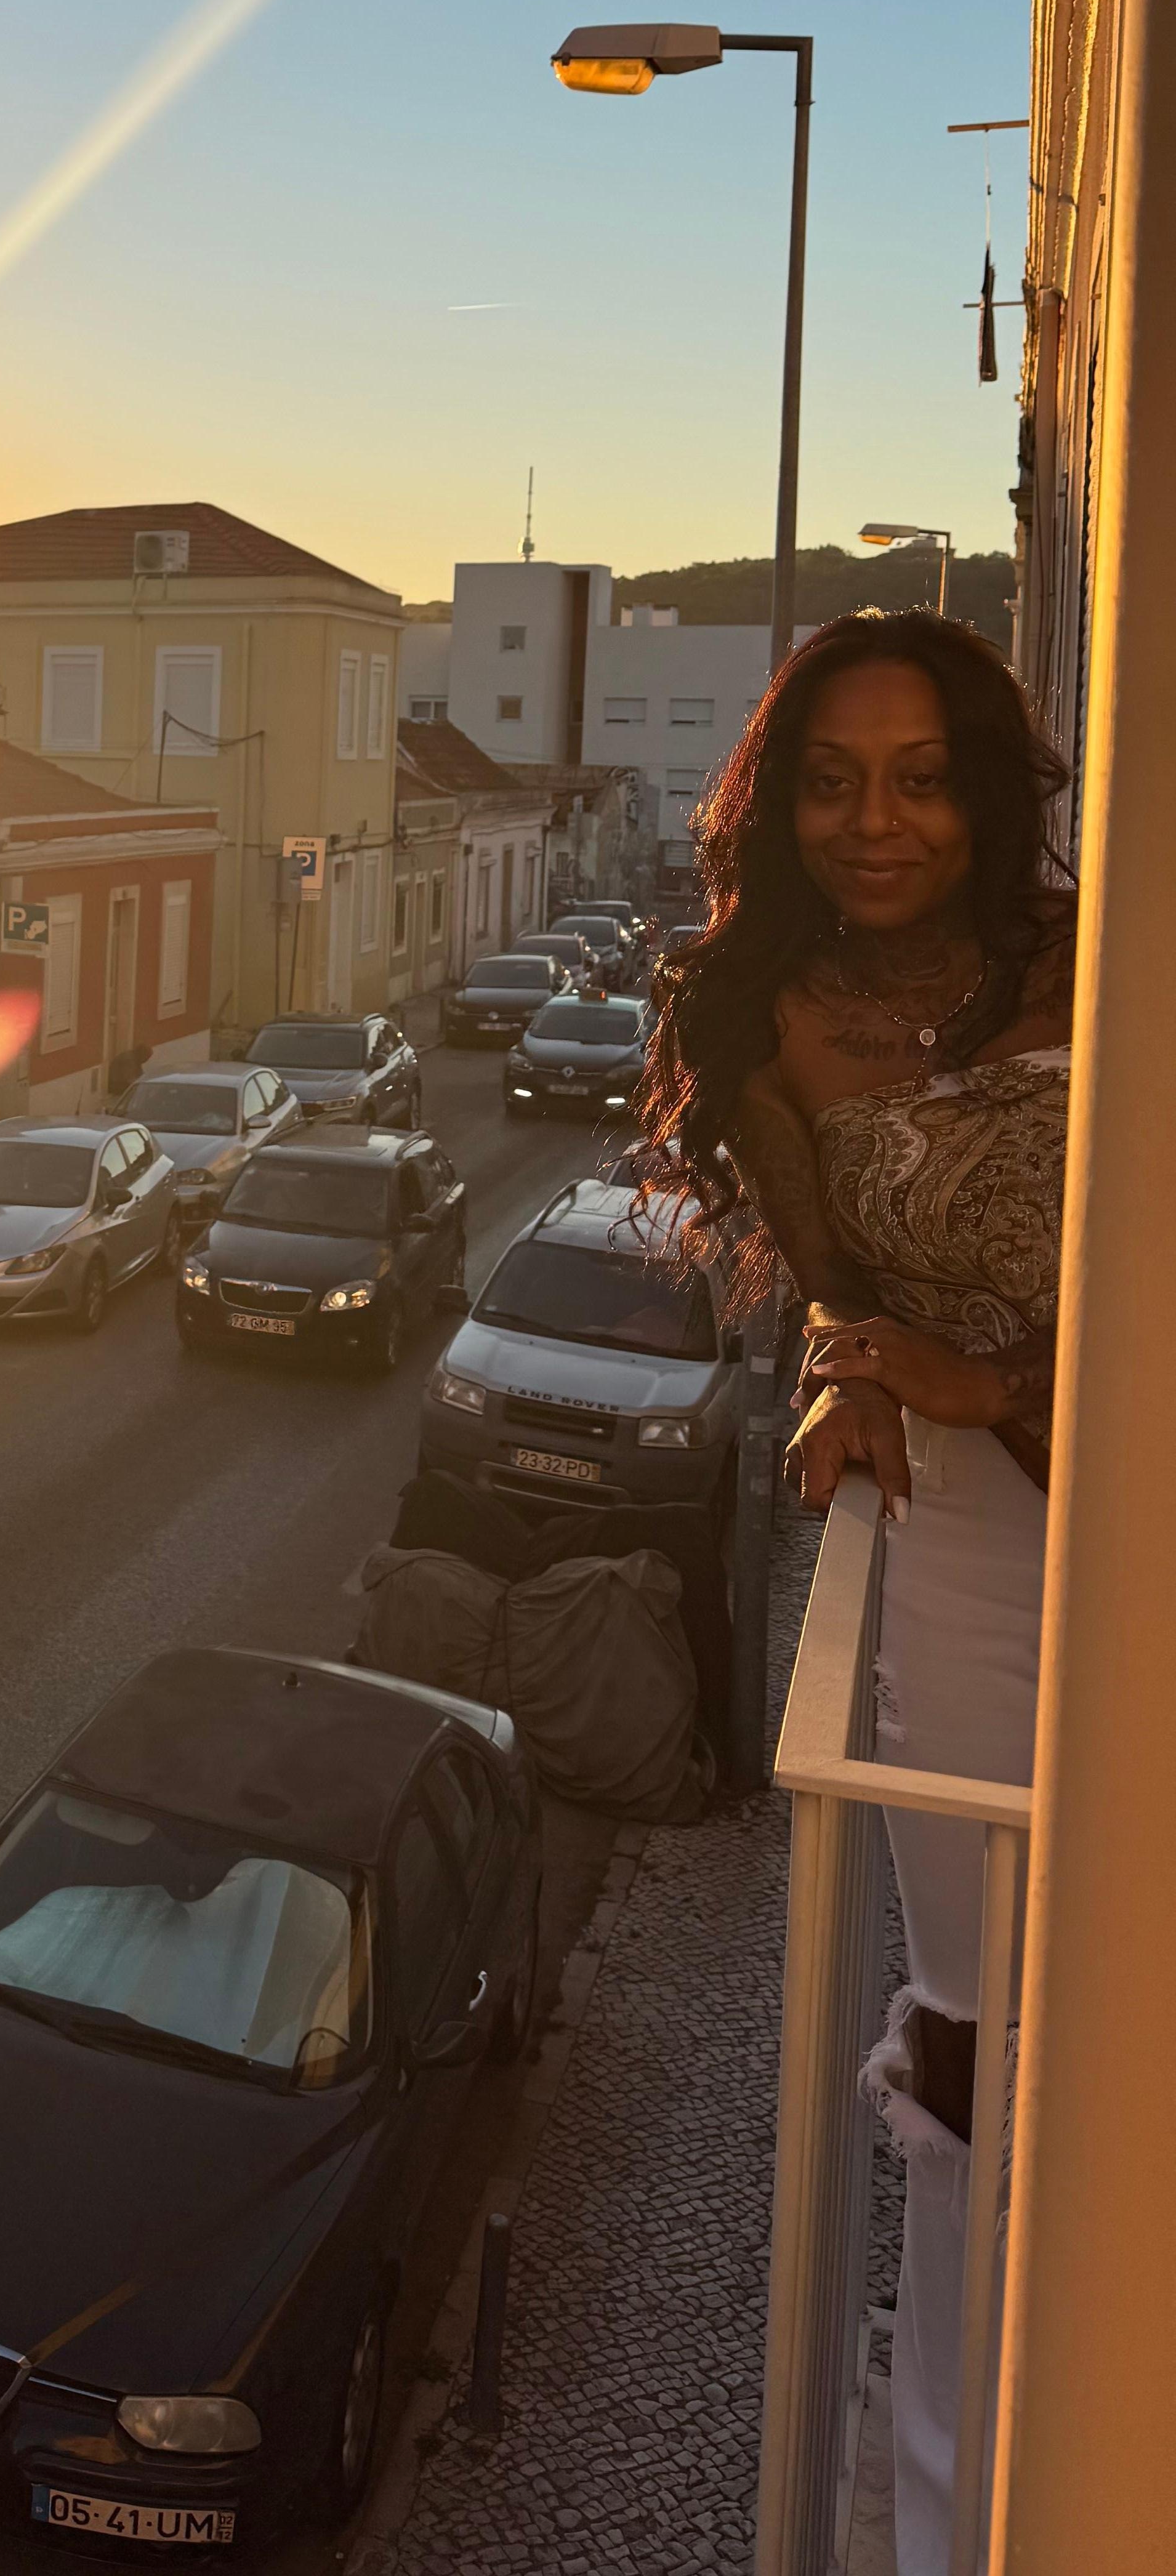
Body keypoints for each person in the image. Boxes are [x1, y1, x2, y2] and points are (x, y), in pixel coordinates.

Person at [637, 610, 1073, 2576]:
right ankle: (961, 2507)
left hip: (1121, 1491)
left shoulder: (1095, 963)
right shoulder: (763, 1021)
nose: (872, 823)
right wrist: (850, 1365)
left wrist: (998, 1384)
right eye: (827, 784)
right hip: (968, 1555)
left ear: (983, 791)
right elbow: (841, 1286)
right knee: (979, 2050)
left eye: (914, 779)